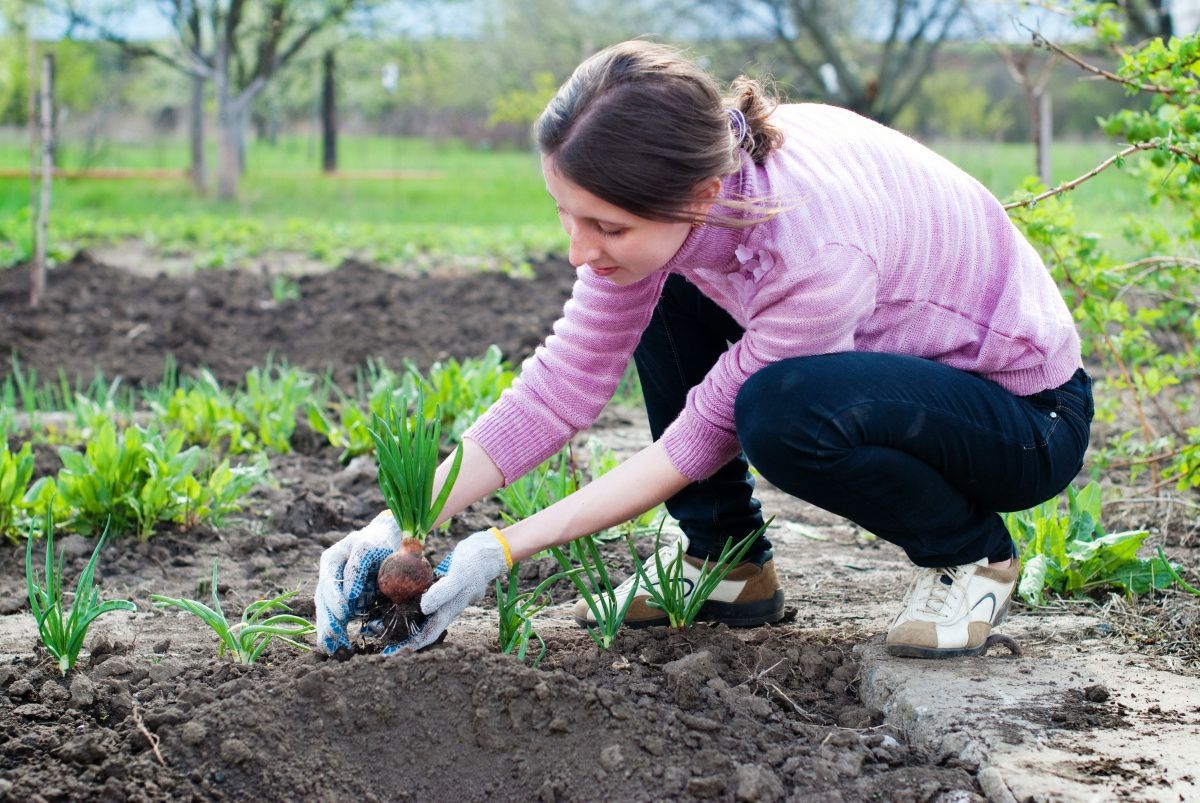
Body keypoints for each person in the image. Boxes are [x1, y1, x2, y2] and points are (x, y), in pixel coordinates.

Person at [315, 40, 1092, 660]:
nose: (580, 250)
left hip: (1022, 418)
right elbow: (561, 386)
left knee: (781, 412)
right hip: (900, 377)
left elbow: (695, 440)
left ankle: (971, 554)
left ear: (700, 198)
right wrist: (402, 521)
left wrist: (500, 547)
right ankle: (729, 565)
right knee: (665, 279)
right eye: (567, 214)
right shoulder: (692, 182)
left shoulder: (813, 254)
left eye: (606, 226)